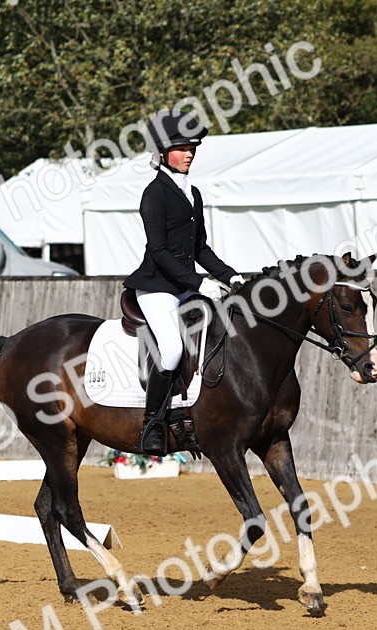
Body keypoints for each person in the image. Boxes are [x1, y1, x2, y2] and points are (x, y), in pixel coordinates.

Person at [124, 111, 245, 456]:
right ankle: (152, 424)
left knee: (226, 327)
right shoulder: (154, 194)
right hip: (157, 287)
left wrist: (228, 275)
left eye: (192, 146)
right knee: (174, 349)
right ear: (162, 153)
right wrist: (198, 282)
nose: (189, 152)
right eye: (180, 147)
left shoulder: (193, 193)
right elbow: (159, 251)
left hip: (187, 286)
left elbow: (200, 248)